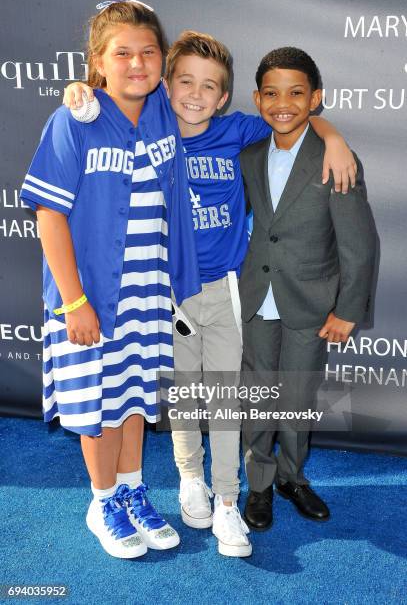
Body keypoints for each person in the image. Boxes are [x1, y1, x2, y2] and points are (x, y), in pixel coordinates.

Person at [65, 30, 358, 557]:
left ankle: (227, 502)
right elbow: (108, 99)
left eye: (209, 87)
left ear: (224, 97)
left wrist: (332, 134)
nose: (195, 95)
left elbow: (291, 117)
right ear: (165, 86)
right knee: (183, 399)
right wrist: (77, 89)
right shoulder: (148, 126)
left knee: (225, 399)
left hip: (225, 289)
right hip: (167, 290)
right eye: (184, 82)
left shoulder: (237, 131)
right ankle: (189, 483)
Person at [20, 0, 202, 559]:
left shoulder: (166, 113)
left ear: (162, 60)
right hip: (91, 296)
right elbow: (48, 214)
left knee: (130, 399)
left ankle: (131, 490)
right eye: (122, 53)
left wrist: (330, 133)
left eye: (148, 51)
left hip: (147, 293)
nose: (137, 63)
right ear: (97, 62)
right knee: (96, 403)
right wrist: (74, 301)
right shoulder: (72, 120)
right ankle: (102, 501)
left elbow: (242, 114)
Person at [239, 47, 376, 532]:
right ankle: (257, 484)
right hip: (257, 296)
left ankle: (292, 478)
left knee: (297, 393)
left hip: (311, 303)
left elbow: (359, 243)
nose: (284, 103)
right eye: (272, 93)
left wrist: (347, 308)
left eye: (297, 93)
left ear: (316, 98)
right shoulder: (249, 155)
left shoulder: (335, 158)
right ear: (257, 99)